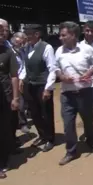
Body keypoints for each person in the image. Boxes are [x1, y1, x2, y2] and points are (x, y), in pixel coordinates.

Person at [54, 21, 93, 166]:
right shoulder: (59, 51)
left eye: (63, 35)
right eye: (60, 35)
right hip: (67, 95)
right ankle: (71, 151)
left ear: (73, 35)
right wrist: (62, 77)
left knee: (89, 121)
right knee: (68, 124)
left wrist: (88, 73)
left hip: (85, 92)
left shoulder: (86, 49)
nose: (60, 37)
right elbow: (55, 68)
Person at [20, 24, 56, 152]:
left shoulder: (47, 47)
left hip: (42, 85)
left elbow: (52, 69)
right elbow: (25, 65)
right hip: (30, 85)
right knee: (35, 113)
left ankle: (50, 139)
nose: (27, 36)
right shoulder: (27, 47)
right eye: (26, 34)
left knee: (46, 113)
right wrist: (22, 78)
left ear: (37, 34)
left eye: (29, 34)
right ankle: (42, 135)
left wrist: (48, 88)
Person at [0, 21, 20, 179]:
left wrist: (15, 97)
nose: (2, 32)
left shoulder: (7, 51)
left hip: (4, 98)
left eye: (4, 30)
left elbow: (14, 76)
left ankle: (2, 161)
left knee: (4, 129)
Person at [11, 32, 30, 134]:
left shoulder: (22, 51)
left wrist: (21, 79)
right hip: (12, 80)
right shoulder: (10, 52)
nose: (23, 43)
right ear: (15, 41)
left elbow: (23, 67)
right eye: (21, 41)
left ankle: (23, 123)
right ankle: (17, 123)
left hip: (21, 79)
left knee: (22, 103)